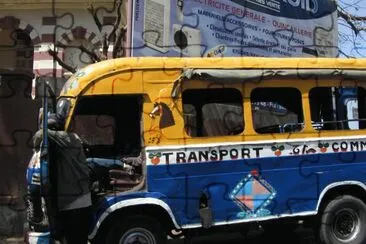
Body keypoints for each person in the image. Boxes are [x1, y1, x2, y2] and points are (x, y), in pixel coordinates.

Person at [33, 113, 92, 244]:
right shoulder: (67, 141)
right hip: (75, 199)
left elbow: (39, 135)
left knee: (75, 238)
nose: (51, 130)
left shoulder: (66, 138)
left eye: (53, 127)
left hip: (75, 201)